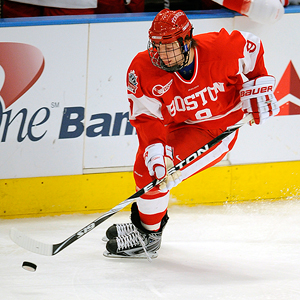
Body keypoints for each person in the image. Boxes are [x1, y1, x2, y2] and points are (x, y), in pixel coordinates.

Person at [103, 8, 279, 259]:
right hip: (175, 125)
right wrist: (155, 149)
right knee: (150, 166)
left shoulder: (220, 49)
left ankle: (148, 235)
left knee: (148, 172)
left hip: (215, 129)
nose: (161, 54)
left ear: (187, 40)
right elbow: (146, 116)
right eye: (157, 45)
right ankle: (146, 222)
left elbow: (252, 46)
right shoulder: (143, 67)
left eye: (169, 46)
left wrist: (259, 82)